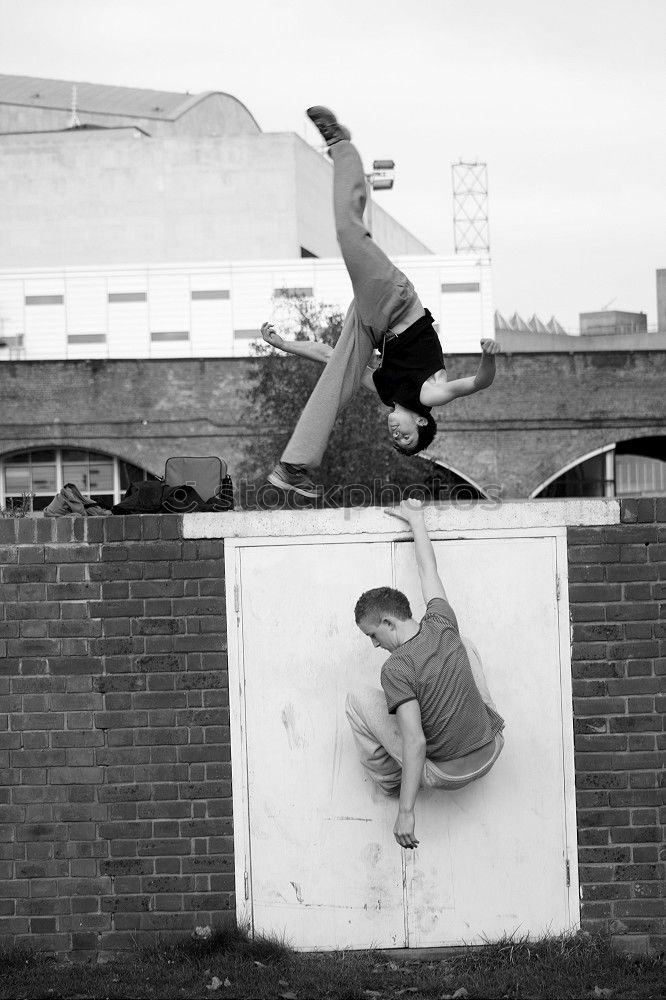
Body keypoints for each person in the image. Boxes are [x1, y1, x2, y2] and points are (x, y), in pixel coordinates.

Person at [263, 105, 500, 499]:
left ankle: (294, 466)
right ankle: (343, 147)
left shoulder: (385, 390)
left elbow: (328, 356)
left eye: (396, 443)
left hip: (371, 325)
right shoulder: (429, 396)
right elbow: (476, 383)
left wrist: (285, 345)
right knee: (349, 234)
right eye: (406, 440)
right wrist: (489, 356)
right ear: (421, 424)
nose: (397, 436)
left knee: (337, 375)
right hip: (393, 303)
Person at [346, 499, 505, 849]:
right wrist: (417, 520)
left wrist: (406, 810)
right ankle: (474, 726)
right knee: (463, 643)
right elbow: (427, 569)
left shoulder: (396, 667)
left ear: (388, 622)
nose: (374, 644)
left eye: (373, 634)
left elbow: (415, 741)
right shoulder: (441, 620)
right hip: (493, 750)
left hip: (445, 774)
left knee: (356, 701)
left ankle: (390, 782)